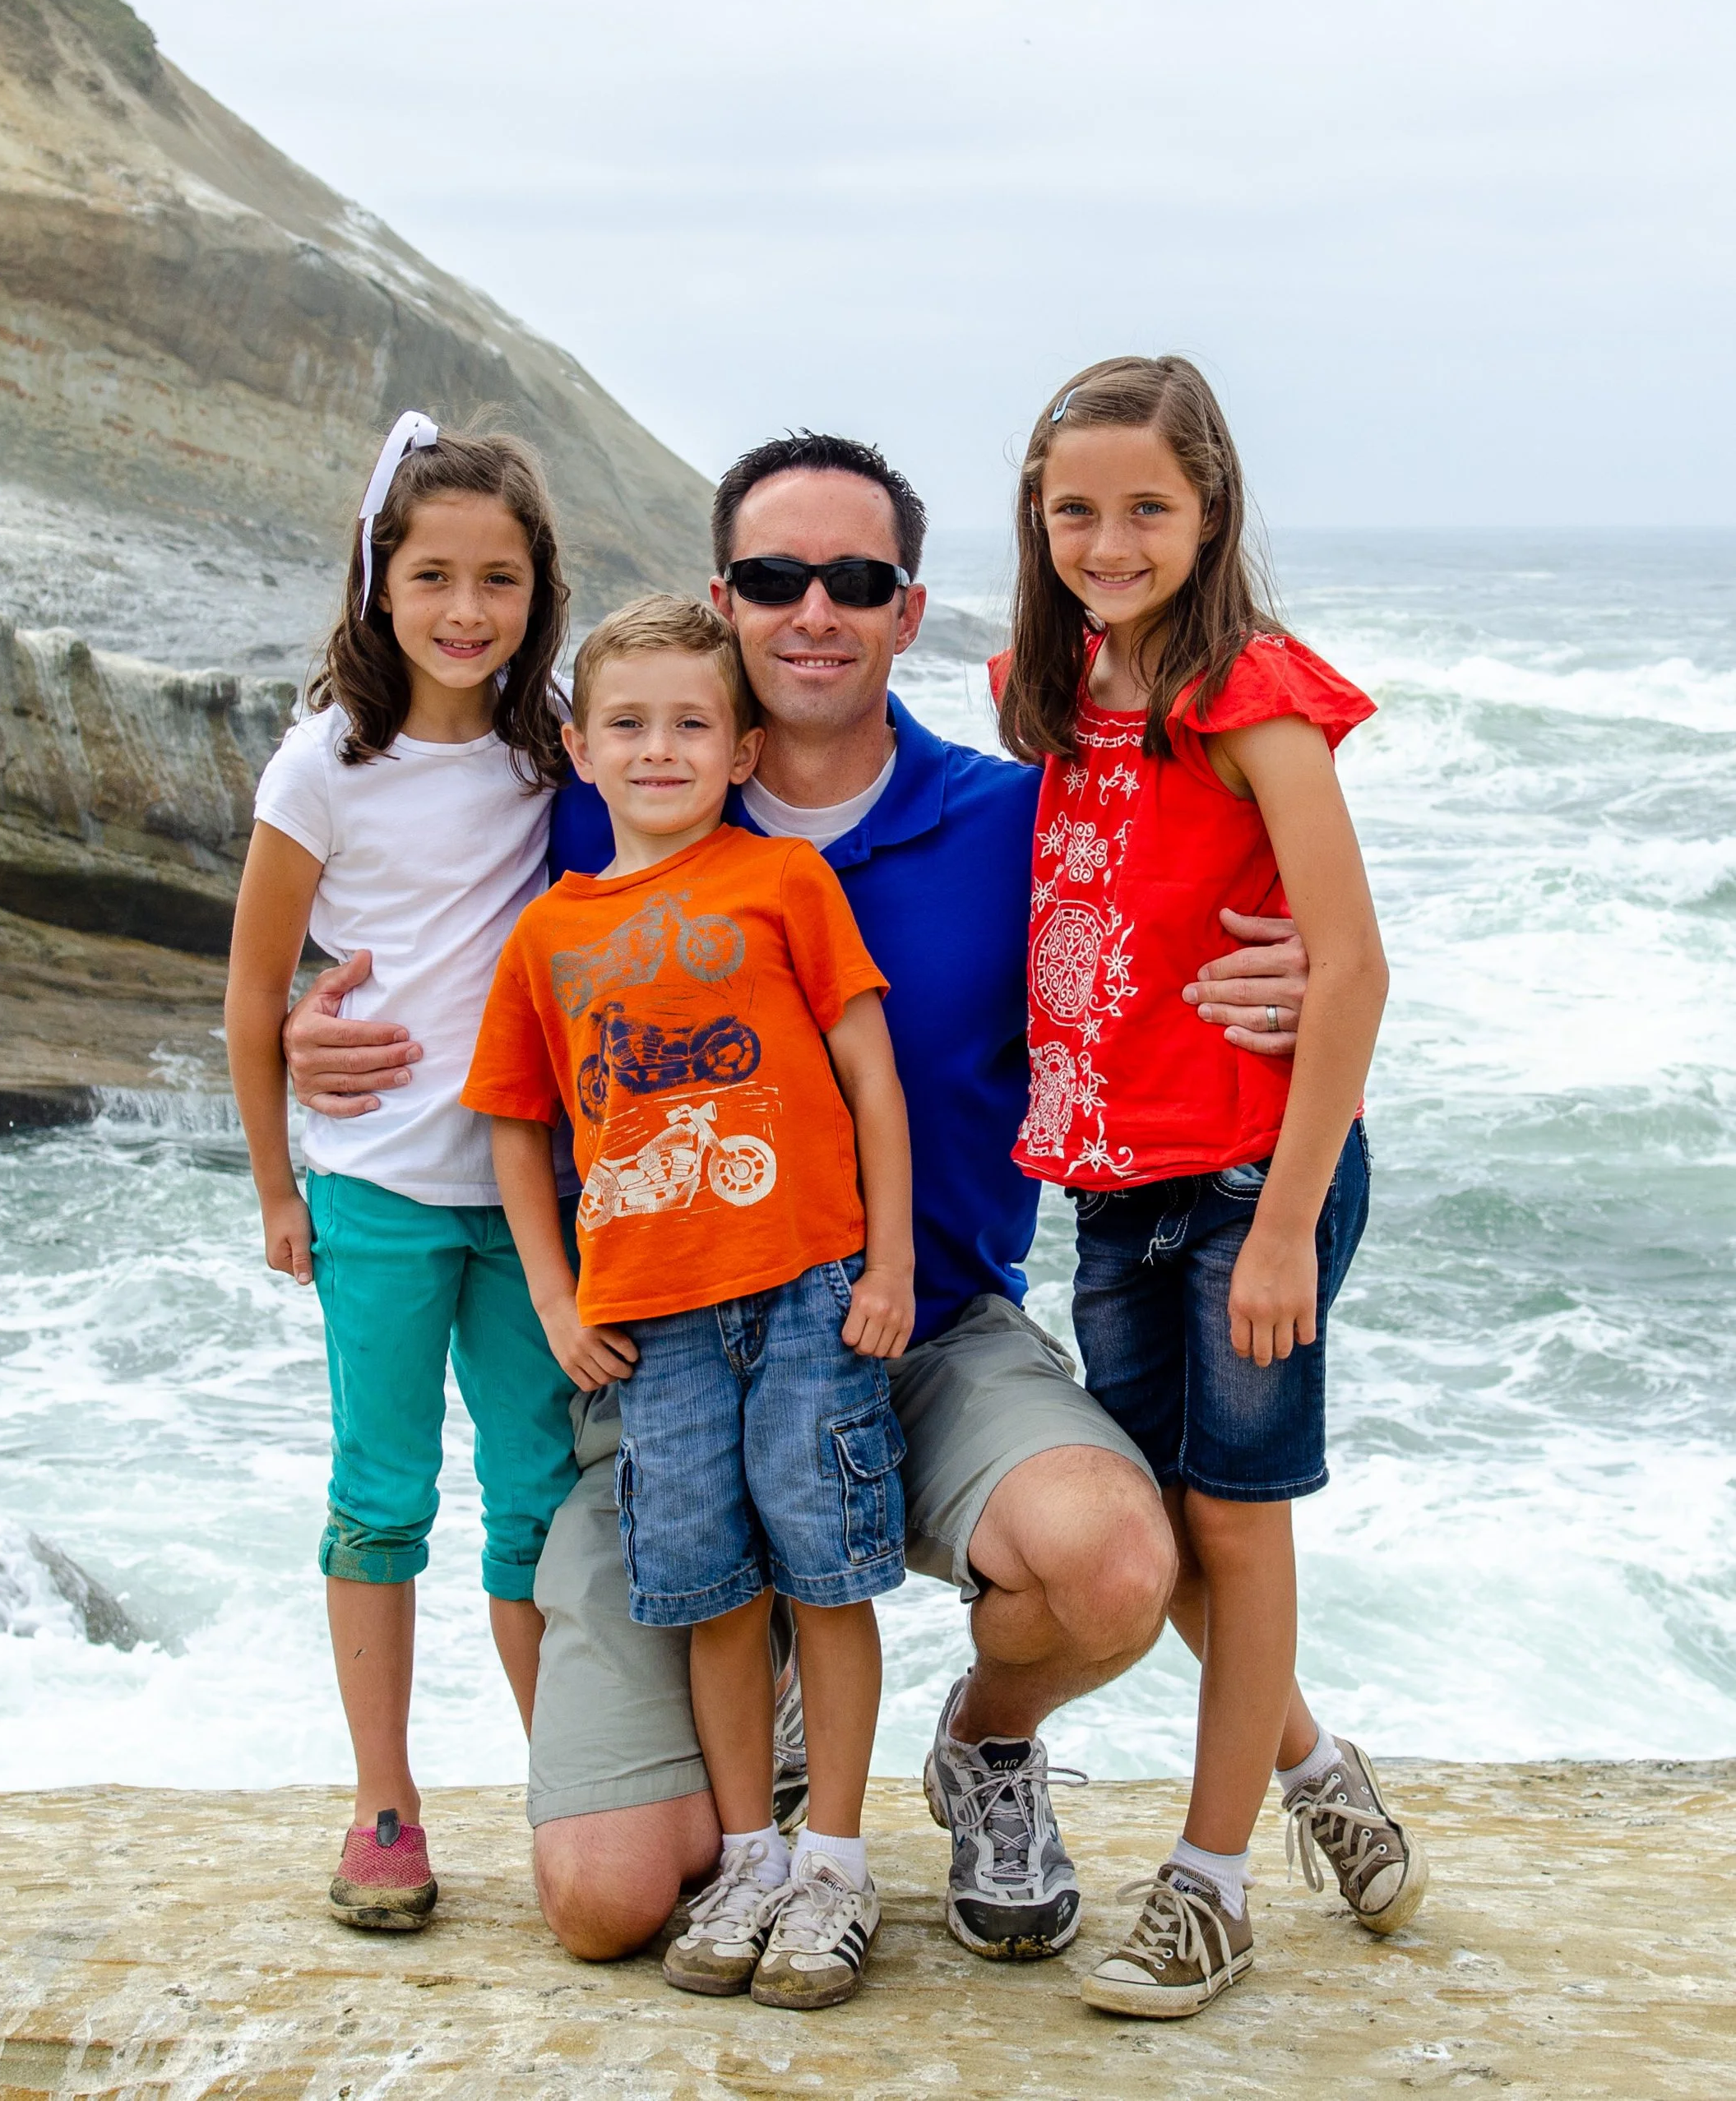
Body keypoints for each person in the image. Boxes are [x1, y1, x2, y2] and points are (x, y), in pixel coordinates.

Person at [286, 430, 1317, 1968]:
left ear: (909, 611)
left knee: (1108, 1560)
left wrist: (1295, 971)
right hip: (665, 1365)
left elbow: (1165, 922)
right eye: (776, 578)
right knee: (608, 1899)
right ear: (728, 599)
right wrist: (311, 1021)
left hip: (923, 1325)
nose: (814, 610)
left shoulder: (1013, 817)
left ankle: (984, 1744)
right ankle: (747, 1717)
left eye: (857, 579)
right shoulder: (600, 801)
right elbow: (415, 902)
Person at [997, 354, 1425, 2020]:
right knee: (1168, 1528)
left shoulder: (1250, 690)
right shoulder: (1054, 694)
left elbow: (1354, 966)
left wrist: (1278, 1223)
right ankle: (1314, 1767)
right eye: (1073, 508)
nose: (1107, 538)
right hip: (1114, 1189)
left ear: (1208, 508)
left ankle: (1210, 1882)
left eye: (1145, 507)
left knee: (1236, 1525)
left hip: (1250, 1177)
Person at [465, 594, 916, 2010]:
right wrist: (551, 1296)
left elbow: (870, 1077)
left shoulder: (782, 883)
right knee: (715, 1590)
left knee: (826, 1574)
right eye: (628, 726)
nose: (658, 749)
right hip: (648, 1327)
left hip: (805, 1294)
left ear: (738, 750)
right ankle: (748, 1856)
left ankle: (835, 1859)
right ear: (581, 749)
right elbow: (515, 1130)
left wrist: (891, 1263)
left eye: (690, 725)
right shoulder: (548, 935)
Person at [225, 415, 581, 1934]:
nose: (464, 610)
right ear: (379, 581)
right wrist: (276, 1193)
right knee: (381, 1499)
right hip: (373, 1187)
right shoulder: (326, 764)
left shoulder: (554, 744)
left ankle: (571, 1793)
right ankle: (385, 1805)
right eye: (432, 574)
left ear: (536, 590)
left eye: (498, 579)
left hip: (528, 1198)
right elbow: (253, 998)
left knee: (540, 1500)